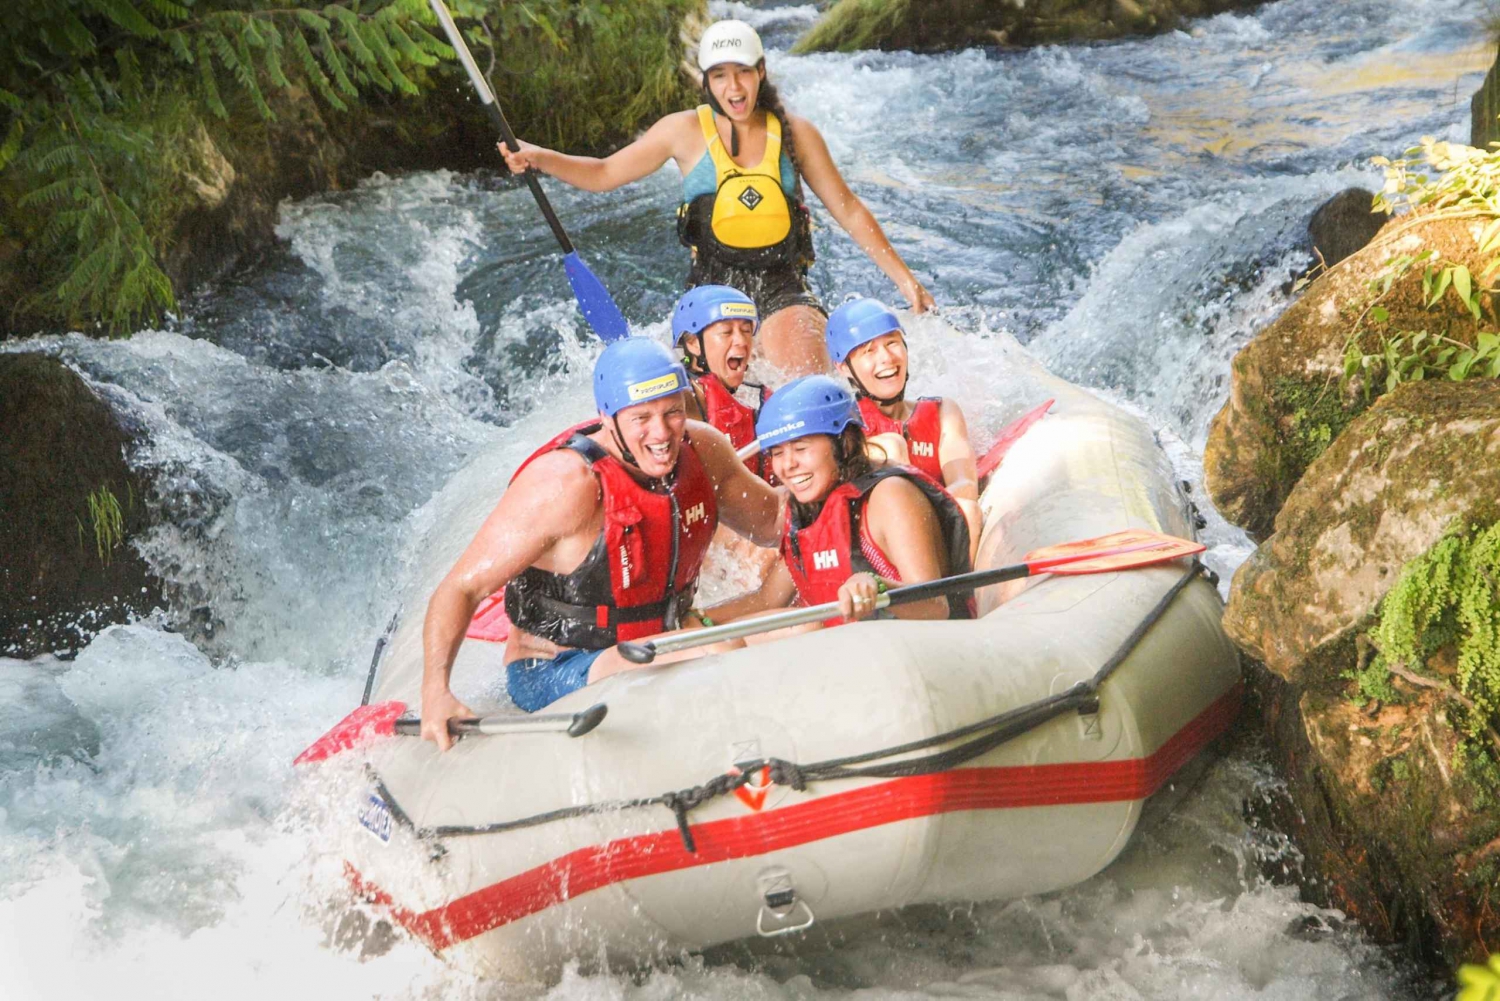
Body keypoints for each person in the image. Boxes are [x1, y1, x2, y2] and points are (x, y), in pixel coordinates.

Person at [496, 19, 934, 378]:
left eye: (743, 72)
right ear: (706, 81)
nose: (734, 86)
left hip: (783, 289)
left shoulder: (797, 134)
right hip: (709, 293)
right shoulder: (682, 131)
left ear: (761, 71)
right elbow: (604, 173)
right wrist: (540, 157)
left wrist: (905, 280)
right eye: (720, 75)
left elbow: (849, 209)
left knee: (809, 385)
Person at [419, 338, 782, 750]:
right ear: (607, 419)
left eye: (673, 412)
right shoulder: (564, 485)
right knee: (716, 650)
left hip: (661, 639)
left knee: (792, 630)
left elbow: (774, 522)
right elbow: (461, 588)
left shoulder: (703, 450)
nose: (662, 432)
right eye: (642, 418)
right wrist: (436, 691)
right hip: (558, 665)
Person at [701, 375, 973, 628]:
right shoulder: (807, 509)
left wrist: (877, 586)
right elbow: (767, 600)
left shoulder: (890, 496)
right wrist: (699, 618)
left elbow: (935, 606)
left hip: (922, 650)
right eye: (777, 453)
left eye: (801, 448)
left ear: (843, 443)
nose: (788, 465)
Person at [827, 298, 982, 560]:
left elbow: (964, 482)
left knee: (968, 511)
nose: (886, 358)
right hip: (877, 547)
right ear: (843, 367)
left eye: (892, 343)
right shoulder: (843, 429)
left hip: (935, 529)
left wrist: (931, 517)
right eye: (869, 351)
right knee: (891, 446)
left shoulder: (943, 412)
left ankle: (957, 587)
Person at [672, 284, 772, 479]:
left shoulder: (760, 397)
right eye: (726, 332)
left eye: (746, 330)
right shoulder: (679, 401)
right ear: (693, 343)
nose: (741, 341)